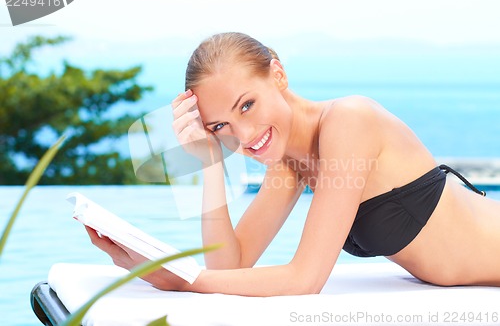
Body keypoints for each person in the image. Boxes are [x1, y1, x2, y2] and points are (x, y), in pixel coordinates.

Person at [85, 32, 500, 296]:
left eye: (247, 105)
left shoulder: (350, 121)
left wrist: (183, 280)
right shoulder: (289, 163)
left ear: (278, 75)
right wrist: (210, 164)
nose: (244, 136)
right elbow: (231, 264)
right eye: (221, 125)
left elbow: (305, 280)